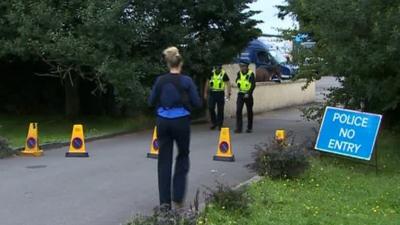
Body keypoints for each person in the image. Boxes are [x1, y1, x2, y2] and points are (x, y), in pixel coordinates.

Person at [148, 47, 201, 210]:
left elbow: (150, 101)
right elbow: (197, 103)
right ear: (181, 63)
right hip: (181, 122)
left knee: (164, 161)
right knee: (183, 155)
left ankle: (164, 203)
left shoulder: (160, 80)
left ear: (167, 63)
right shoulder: (187, 81)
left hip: (162, 122)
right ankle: (177, 197)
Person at [203, 65, 231, 130]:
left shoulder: (223, 74)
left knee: (220, 110)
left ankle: (220, 124)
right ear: (215, 68)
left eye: (219, 68)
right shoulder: (211, 73)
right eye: (217, 68)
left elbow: (228, 84)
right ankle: (214, 123)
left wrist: (228, 94)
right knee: (211, 107)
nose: (218, 69)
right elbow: (207, 82)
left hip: (220, 93)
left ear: (221, 68)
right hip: (212, 93)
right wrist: (205, 93)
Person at [235, 60, 256, 133]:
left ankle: (249, 127)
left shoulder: (251, 74)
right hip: (240, 94)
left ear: (247, 67)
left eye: (243, 66)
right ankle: (239, 128)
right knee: (238, 110)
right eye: (241, 66)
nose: (242, 68)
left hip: (248, 95)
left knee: (249, 111)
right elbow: (237, 81)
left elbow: (253, 85)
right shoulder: (239, 73)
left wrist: (249, 93)